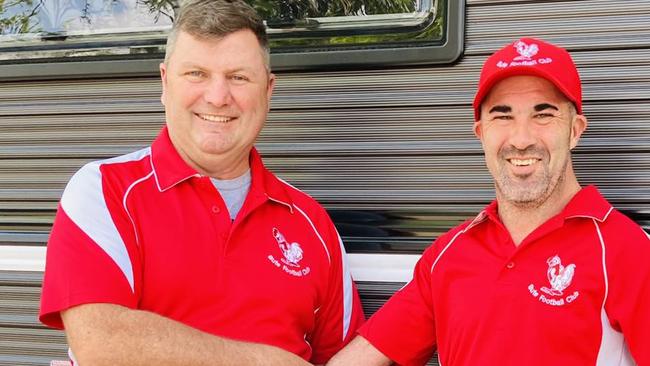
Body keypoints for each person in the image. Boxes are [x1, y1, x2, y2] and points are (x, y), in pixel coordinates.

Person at [38, 1, 364, 365]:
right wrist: (262, 362)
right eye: (196, 74)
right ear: (164, 82)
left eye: (239, 77)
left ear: (268, 91)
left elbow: (345, 357)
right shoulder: (105, 191)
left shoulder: (310, 222)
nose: (217, 97)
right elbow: (101, 341)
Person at [327, 37, 650, 366]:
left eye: (543, 115)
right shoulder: (448, 255)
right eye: (503, 116)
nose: (521, 140)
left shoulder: (628, 251)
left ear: (575, 130)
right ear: (481, 133)